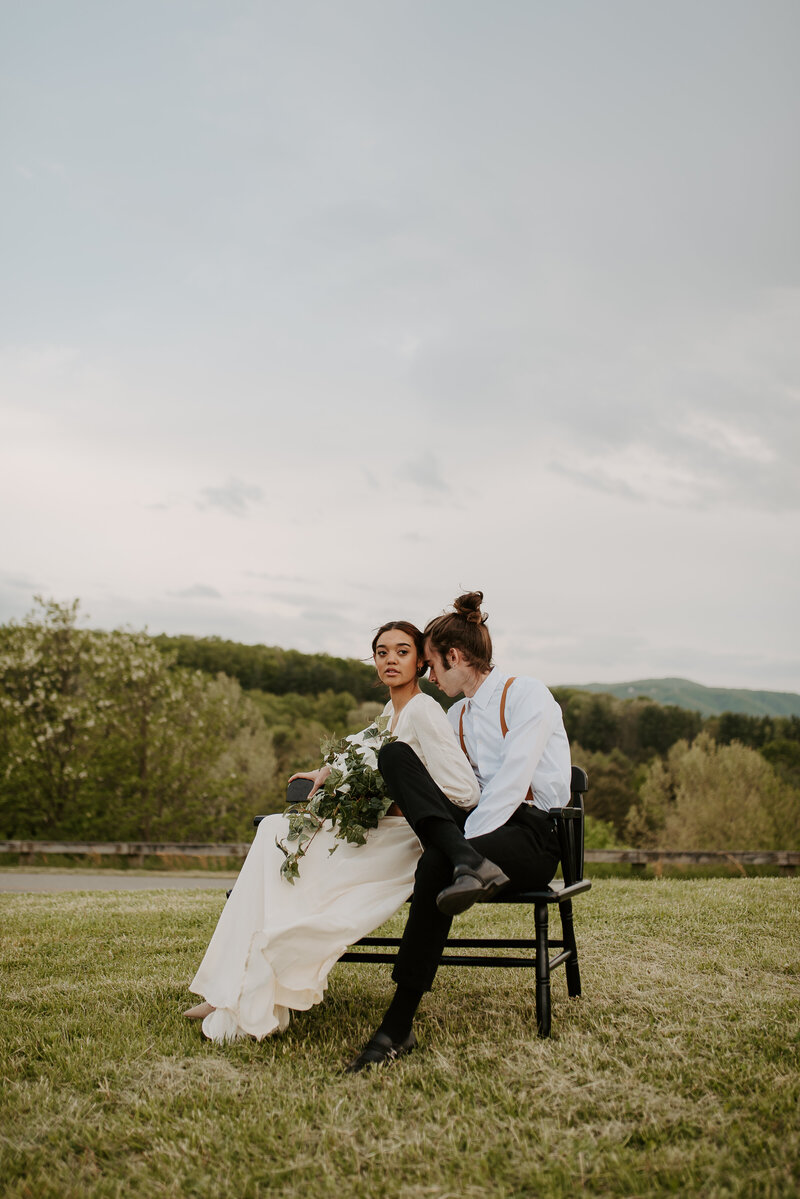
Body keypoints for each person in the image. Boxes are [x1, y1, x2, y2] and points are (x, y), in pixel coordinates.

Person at [183, 620, 479, 1044]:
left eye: (402, 652)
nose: (390, 660)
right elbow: (363, 748)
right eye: (382, 652)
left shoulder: (424, 710)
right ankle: (225, 987)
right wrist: (327, 770)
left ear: (420, 662)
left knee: (285, 847)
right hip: (379, 831)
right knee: (273, 831)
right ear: (374, 661)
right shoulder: (389, 713)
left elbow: (464, 791)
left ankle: (245, 986)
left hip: (403, 840)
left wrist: (397, 804)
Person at [345, 591, 570, 1073]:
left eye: (430, 665)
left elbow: (512, 785)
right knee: (396, 756)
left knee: (436, 861)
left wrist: (458, 847)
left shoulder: (526, 693)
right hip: (468, 833)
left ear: (455, 657)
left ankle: (396, 1025)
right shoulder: (455, 715)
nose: (427, 676)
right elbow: (449, 791)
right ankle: (464, 861)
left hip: (531, 832)